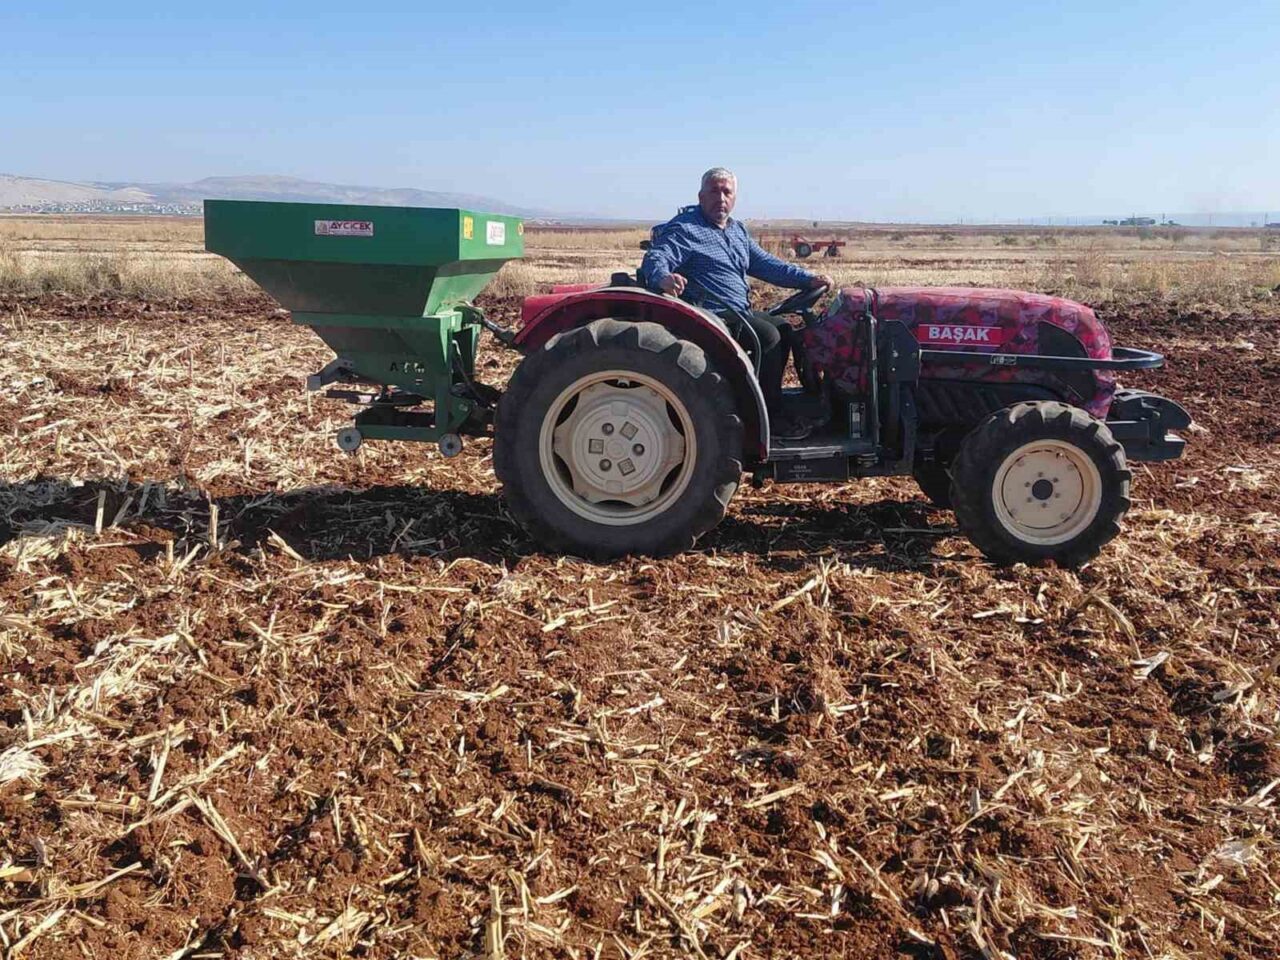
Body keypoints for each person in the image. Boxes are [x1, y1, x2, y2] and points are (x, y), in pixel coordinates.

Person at [640, 167, 832, 439]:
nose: (720, 197)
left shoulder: (737, 231)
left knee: (787, 329)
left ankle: (813, 400)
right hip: (711, 315)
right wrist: (664, 278)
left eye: (726, 192)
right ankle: (767, 418)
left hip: (739, 312)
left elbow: (767, 264)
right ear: (701, 195)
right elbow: (657, 257)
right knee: (769, 337)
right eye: (714, 191)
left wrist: (807, 280)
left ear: (734, 197)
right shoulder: (686, 229)